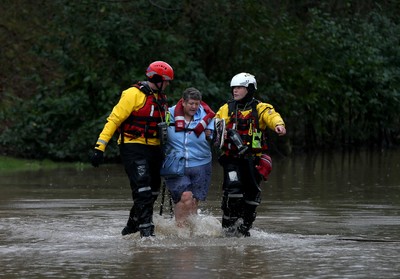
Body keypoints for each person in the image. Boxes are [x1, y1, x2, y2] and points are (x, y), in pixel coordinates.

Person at [90, 61, 174, 238]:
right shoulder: (132, 94)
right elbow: (113, 120)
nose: (167, 84)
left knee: (153, 192)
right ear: (157, 79)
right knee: (142, 189)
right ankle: (146, 233)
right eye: (166, 81)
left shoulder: (161, 98)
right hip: (133, 146)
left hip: (154, 148)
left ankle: (130, 228)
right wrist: (100, 147)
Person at [215, 72, 286, 237]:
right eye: (234, 88)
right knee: (233, 192)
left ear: (250, 89)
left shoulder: (261, 108)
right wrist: (216, 133)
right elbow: (217, 125)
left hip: (252, 160)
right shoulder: (227, 108)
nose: (235, 91)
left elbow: (272, 116)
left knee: (251, 197)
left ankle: (244, 228)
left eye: (240, 87)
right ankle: (228, 229)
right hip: (232, 159)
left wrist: (279, 125)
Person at [162, 87, 215, 227]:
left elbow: (216, 136)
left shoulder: (207, 116)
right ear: (183, 102)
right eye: (191, 103)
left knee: (193, 201)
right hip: (175, 163)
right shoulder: (169, 114)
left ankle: (191, 234)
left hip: (201, 163)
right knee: (185, 197)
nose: (194, 107)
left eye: (197, 104)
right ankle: (180, 231)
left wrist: (213, 134)